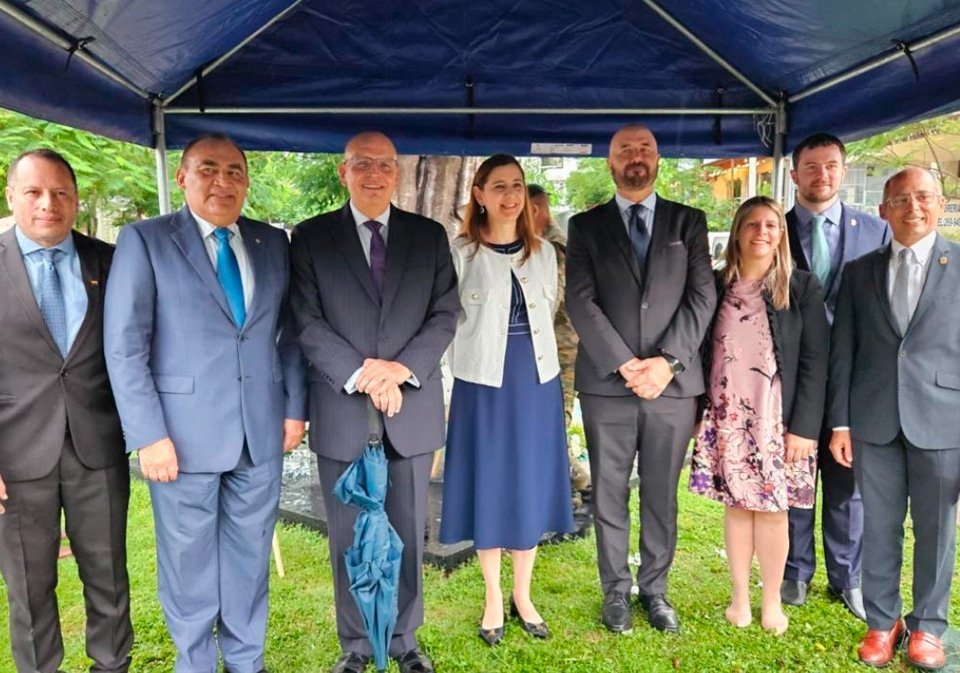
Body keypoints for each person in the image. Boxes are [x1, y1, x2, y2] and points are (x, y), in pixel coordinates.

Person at [104, 133, 307, 673]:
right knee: (188, 564)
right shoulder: (146, 240)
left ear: (247, 181)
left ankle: (246, 661)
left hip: (260, 433)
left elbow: (289, 332)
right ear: (182, 177)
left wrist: (295, 407)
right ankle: (194, 663)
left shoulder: (271, 242)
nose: (223, 181)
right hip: (180, 438)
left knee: (249, 559)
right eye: (208, 169)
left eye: (235, 171)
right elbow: (125, 346)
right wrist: (148, 435)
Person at [290, 131, 459, 673]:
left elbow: (445, 314)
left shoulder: (428, 236)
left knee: (407, 529)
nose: (374, 174)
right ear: (343, 172)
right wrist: (364, 372)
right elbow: (306, 319)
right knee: (348, 534)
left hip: (409, 408)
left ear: (397, 173)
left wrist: (399, 369)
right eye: (362, 163)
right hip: (342, 407)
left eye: (385, 164)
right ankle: (358, 644)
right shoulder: (311, 237)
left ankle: (405, 639)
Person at [566, 124, 716, 634]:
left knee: (660, 494)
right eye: (625, 150)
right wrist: (626, 364)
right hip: (608, 385)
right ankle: (615, 591)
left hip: (672, 387)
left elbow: (702, 297)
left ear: (657, 159)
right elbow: (579, 299)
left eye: (644, 149)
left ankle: (656, 590)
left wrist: (666, 362)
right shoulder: (585, 227)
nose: (636, 156)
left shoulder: (688, 222)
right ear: (610, 162)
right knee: (608, 492)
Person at [0, 149, 133, 673]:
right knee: (28, 585)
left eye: (60, 193)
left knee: (108, 577)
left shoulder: (112, 262)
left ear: (75, 199)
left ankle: (111, 664)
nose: (47, 204)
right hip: (15, 456)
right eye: (33, 192)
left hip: (96, 447)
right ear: (11, 195)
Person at [828, 167, 960, 671]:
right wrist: (840, 423)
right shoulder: (860, 271)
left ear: (941, 203)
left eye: (923, 197)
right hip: (874, 419)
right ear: (883, 210)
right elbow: (844, 349)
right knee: (879, 526)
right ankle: (883, 623)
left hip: (944, 420)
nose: (913, 207)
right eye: (900, 199)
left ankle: (928, 626)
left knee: (936, 529)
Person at [441, 156, 575, 647]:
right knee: (490, 484)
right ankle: (493, 596)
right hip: (483, 384)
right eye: (498, 186)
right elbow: (447, 322)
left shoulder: (545, 253)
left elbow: (552, 312)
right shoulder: (460, 254)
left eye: (517, 185)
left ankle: (523, 592)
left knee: (529, 483)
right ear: (479, 194)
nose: (511, 195)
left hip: (536, 381)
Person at [689, 196, 828, 635]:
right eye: (752, 224)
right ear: (737, 233)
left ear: (781, 234)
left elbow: (816, 362)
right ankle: (739, 600)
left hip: (777, 422)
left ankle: (771, 602)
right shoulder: (716, 286)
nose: (761, 232)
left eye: (770, 225)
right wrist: (697, 413)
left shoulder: (801, 287)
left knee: (772, 511)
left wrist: (804, 428)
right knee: (737, 508)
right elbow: (699, 351)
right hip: (728, 417)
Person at [781, 133, 890, 620]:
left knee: (850, 480)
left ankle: (847, 577)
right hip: (793, 377)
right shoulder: (773, 229)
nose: (821, 175)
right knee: (795, 473)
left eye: (830, 166)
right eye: (811, 166)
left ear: (843, 171)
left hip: (856, 378)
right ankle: (795, 571)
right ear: (794, 174)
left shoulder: (876, 232)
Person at [528, 184, 590, 500]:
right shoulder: (545, 246)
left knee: (554, 420)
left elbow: (550, 304)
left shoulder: (554, 250)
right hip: (549, 349)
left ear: (534, 210)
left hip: (561, 351)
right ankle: (577, 481)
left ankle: (568, 492)